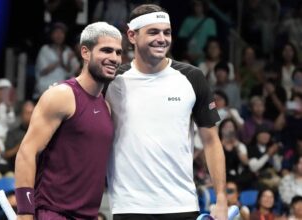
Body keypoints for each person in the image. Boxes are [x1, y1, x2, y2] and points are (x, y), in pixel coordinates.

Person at [105, 4, 227, 220]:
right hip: (129, 206)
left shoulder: (192, 77)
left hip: (182, 205)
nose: (162, 38)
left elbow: (211, 142)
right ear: (132, 36)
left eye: (167, 32)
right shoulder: (111, 80)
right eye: (153, 32)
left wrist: (221, 198)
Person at [14, 21, 122, 220]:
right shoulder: (62, 95)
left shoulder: (106, 106)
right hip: (53, 213)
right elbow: (26, 152)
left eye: (118, 52)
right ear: (85, 52)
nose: (114, 58)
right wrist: (25, 212)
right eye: (106, 50)